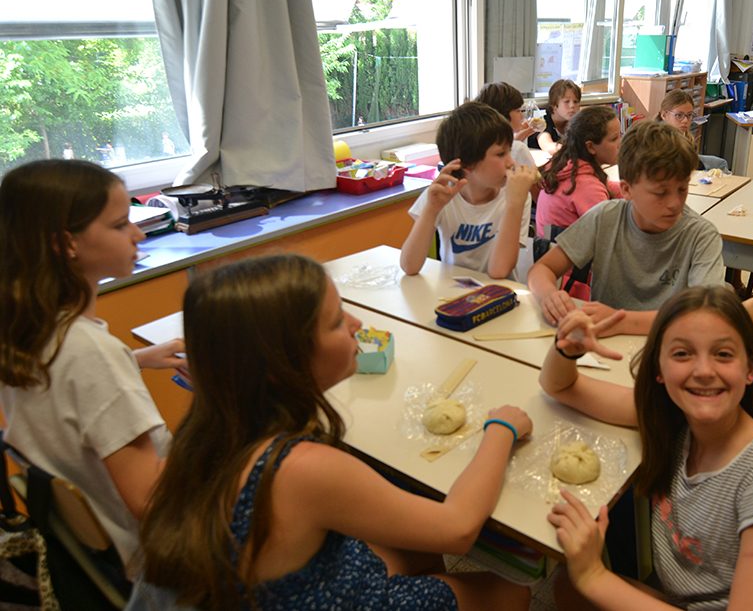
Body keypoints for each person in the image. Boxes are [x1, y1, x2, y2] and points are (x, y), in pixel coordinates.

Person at [132, 254, 533, 609]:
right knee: (511, 592)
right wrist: (501, 430)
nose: (357, 324)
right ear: (285, 361)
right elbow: (457, 528)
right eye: (338, 320)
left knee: (413, 544)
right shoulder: (303, 468)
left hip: (279, 587)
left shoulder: (210, 431)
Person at [541, 286, 753, 610]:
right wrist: (566, 350)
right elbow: (560, 386)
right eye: (682, 354)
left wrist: (593, 575)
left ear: (750, 369)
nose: (703, 371)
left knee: (579, 584)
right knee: (568, 587)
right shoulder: (675, 419)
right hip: (688, 597)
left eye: (723, 354)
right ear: (658, 371)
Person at [0, 159, 184, 574]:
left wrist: (134, 360)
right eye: (120, 225)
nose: (138, 234)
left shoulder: (25, 330)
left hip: (95, 559)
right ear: (65, 243)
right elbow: (151, 500)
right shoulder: (91, 353)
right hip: (160, 559)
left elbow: (66, 391)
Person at [528, 120, 753, 336]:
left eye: (682, 189)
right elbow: (542, 269)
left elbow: (705, 315)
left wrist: (621, 322)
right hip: (606, 342)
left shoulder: (701, 235)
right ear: (627, 189)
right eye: (660, 193)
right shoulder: (605, 217)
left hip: (669, 346)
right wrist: (549, 295)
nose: (675, 203)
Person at [400, 101, 536, 279]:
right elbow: (409, 266)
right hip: (451, 290)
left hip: (498, 291)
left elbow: (499, 271)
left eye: (509, 151)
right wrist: (431, 210)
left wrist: (514, 204)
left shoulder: (516, 196)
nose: (511, 162)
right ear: (467, 164)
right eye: (501, 154)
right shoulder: (441, 194)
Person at [535, 105, 622, 238]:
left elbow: (608, 186)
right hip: (565, 250)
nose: (620, 143)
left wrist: (632, 190)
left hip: (549, 245)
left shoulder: (566, 166)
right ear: (591, 147)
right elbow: (609, 236)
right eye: (614, 138)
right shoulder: (586, 187)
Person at [656, 90, 729, 172]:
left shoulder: (683, 135)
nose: (685, 120)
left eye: (689, 115)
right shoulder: (658, 138)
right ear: (664, 115)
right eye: (679, 115)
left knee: (720, 163)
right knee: (720, 165)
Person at [474, 81, 537, 169]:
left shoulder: (476, 145)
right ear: (503, 114)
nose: (522, 116)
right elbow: (534, 176)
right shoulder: (518, 148)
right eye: (518, 111)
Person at [529, 79, 582, 155]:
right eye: (566, 101)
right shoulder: (542, 121)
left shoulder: (576, 122)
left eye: (576, 102)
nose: (572, 106)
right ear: (554, 105)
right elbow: (548, 146)